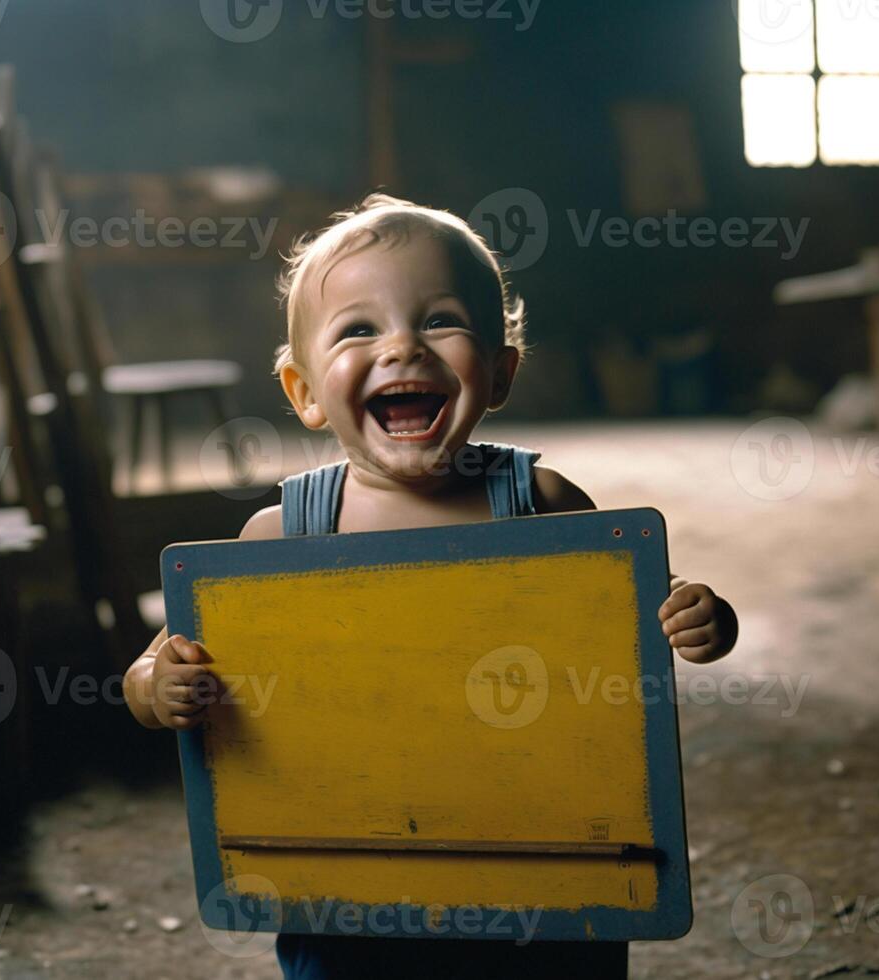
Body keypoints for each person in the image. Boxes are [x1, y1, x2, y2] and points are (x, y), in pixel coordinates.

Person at [124, 193, 738, 978]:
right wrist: (158, 686)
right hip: (344, 894)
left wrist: (701, 618)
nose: (403, 348)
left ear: (502, 369)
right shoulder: (277, 538)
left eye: (439, 319)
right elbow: (153, 667)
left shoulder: (544, 507)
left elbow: (643, 609)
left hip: (544, 887)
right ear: (304, 391)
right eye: (357, 329)